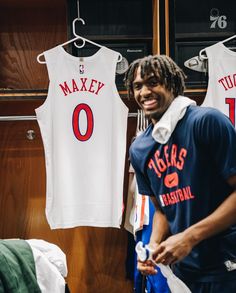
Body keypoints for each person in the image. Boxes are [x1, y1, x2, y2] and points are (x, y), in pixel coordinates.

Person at [124, 54, 236, 293]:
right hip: (184, 272)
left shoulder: (207, 122)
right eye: (137, 86)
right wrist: (153, 244)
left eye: (153, 82)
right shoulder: (140, 148)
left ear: (173, 84)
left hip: (227, 266)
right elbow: (163, 208)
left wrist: (189, 237)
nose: (144, 92)